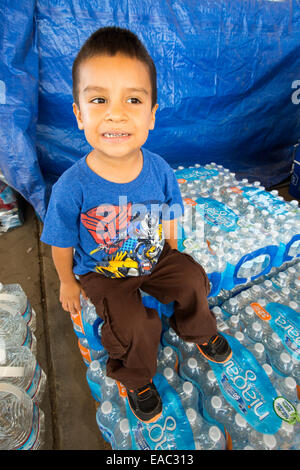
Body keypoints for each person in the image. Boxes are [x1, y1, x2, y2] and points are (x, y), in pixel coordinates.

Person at [41, 26, 232, 424]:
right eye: (98, 99)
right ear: (78, 114)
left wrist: (174, 253)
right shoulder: (71, 186)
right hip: (103, 269)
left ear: (151, 114)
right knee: (133, 326)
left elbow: (170, 213)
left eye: (133, 99)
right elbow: (60, 241)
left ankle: (196, 329)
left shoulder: (159, 168)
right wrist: (66, 281)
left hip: (152, 254)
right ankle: (136, 377)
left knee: (192, 278)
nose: (116, 113)